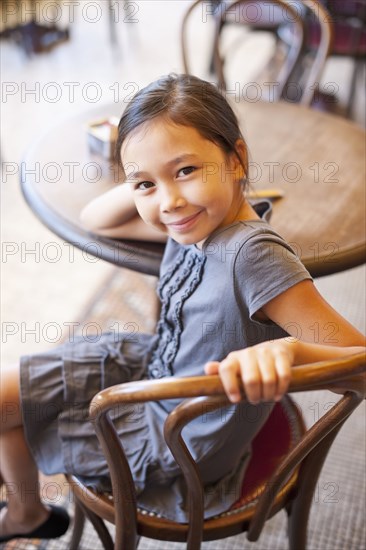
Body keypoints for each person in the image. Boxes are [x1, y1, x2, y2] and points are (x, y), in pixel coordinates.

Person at [1, 73, 365, 542]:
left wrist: (293, 354)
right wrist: (148, 171)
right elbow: (97, 220)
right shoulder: (196, 221)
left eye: (187, 170)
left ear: (238, 159)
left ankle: (23, 513)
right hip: (157, 365)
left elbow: (359, 364)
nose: (169, 202)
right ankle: (27, 513)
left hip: (180, 430)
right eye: (145, 185)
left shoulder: (252, 255)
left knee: (17, 418)